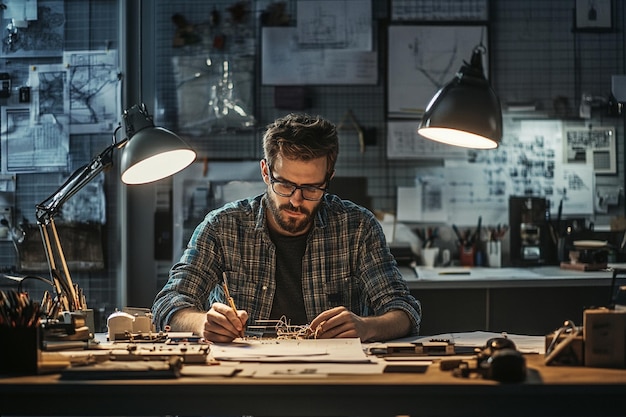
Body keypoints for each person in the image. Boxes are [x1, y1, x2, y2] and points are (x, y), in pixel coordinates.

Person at [152, 113, 421, 342]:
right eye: (285, 185)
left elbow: (404, 310)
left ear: (329, 179)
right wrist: (202, 324)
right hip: (244, 378)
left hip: (333, 378)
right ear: (266, 172)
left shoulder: (357, 228)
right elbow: (169, 303)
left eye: (312, 188)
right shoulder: (222, 227)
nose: (296, 200)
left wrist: (367, 327)